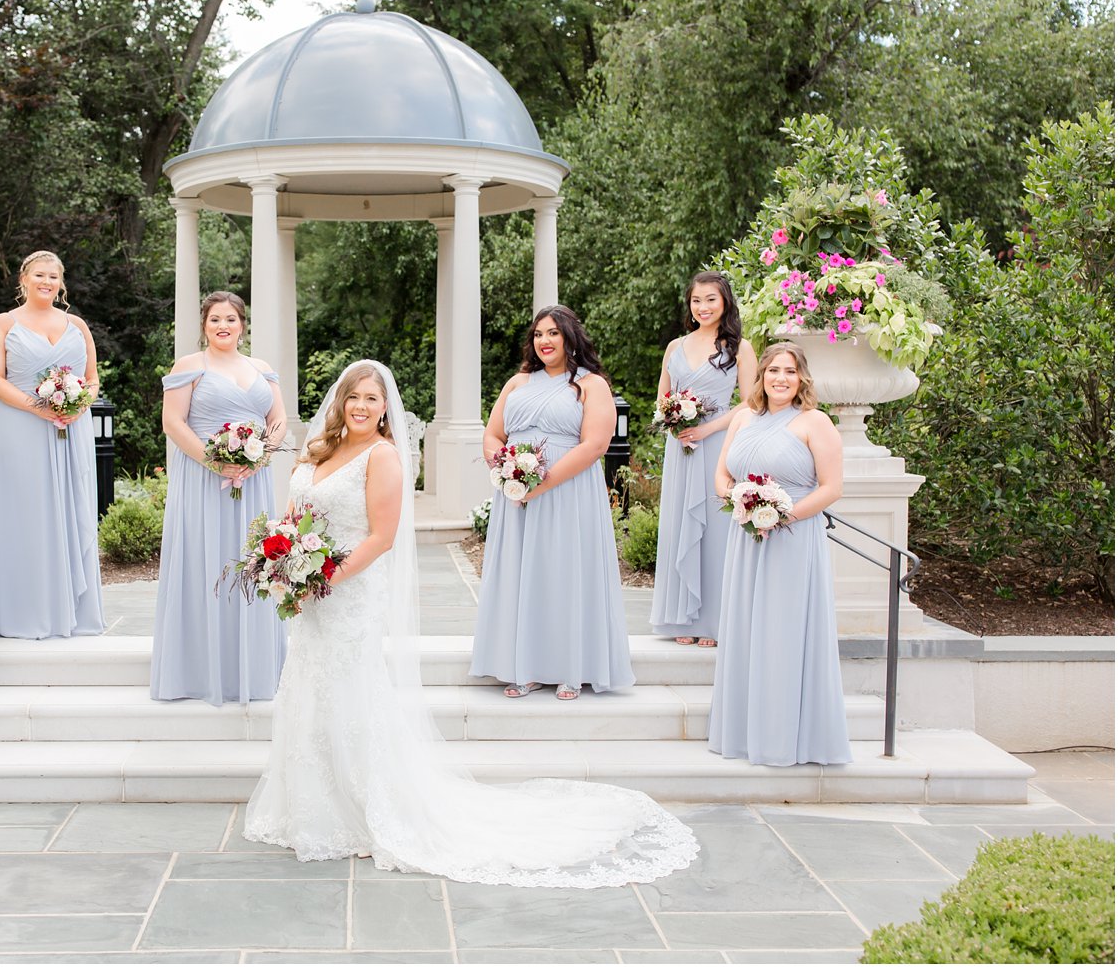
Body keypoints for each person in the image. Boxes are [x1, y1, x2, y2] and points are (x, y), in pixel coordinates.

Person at [244, 360, 698, 887]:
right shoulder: (317, 451)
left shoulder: (383, 456)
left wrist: (323, 578)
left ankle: (364, 808)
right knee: (308, 689)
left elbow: (381, 538)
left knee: (349, 693)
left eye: (372, 398)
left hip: (347, 592)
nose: (362, 406)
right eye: (354, 398)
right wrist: (282, 566)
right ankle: (310, 804)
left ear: (386, 406)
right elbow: (294, 518)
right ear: (341, 403)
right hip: (310, 597)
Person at [470, 305, 634, 701]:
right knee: (521, 576)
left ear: (570, 337)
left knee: (564, 574)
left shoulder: (591, 384)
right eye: (539, 333)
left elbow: (595, 445)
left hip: (567, 491)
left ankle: (569, 668)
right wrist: (508, 470)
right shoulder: (517, 383)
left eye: (553, 333)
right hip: (516, 494)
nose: (545, 340)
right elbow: (492, 435)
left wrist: (539, 484)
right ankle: (522, 666)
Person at [708, 342, 851, 767]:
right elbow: (722, 473)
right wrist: (736, 499)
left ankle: (785, 738)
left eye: (789, 371)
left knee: (782, 633)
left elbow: (831, 488)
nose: (780, 379)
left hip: (792, 541)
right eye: (773, 371)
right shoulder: (744, 418)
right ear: (762, 377)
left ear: (802, 378)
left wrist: (780, 516)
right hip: (746, 540)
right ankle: (743, 732)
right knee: (747, 630)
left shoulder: (815, 422)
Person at [152, 292, 287, 704]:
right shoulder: (190, 367)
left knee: (253, 562)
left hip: (254, 479)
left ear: (242, 325)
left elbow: (277, 420)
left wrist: (260, 454)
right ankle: (198, 671)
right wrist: (215, 462)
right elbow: (172, 422)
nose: (223, 325)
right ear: (204, 325)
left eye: (230, 318)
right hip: (203, 481)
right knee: (205, 560)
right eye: (214, 319)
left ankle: (255, 667)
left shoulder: (261, 369)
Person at [0, 250, 106, 639]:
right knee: (27, 512)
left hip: (71, 429)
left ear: (61, 282)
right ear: (24, 279)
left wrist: (77, 404)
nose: (46, 282)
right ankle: (24, 612)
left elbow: (92, 378)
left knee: (73, 507)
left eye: (53, 276)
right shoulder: (4, 323)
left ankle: (74, 611)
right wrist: (39, 407)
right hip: (21, 427)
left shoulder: (77, 325)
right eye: (39, 275)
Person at [650, 272, 757, 647]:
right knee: (682, 524)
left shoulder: (740, 348)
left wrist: (708, 430)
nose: (703, 307)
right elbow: (662, 398)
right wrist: (672, 419)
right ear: (689, 305)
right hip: (681, 447)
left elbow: (751, 402)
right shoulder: (675, 346)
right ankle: (683, 617)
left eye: (711, 299)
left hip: (718, 443)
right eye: (697, 300)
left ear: (724, 302)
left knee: (715, 529)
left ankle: (712, 621)